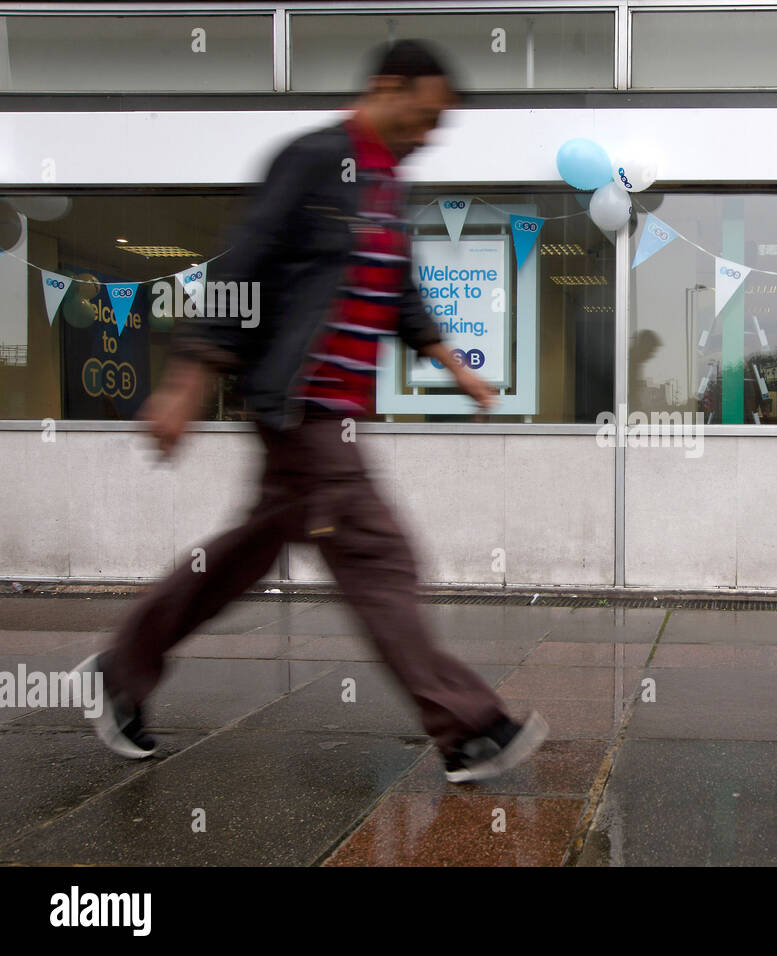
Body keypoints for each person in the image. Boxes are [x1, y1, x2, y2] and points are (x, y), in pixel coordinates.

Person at [75, 39, 547, 784]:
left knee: (245, 554)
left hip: (335, 415)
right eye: (423, 118)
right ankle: (470, 727)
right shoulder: (316, 159)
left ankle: (121, 670)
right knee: (377, 557)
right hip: (307, 407)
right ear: (388, 87)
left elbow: (399, 294)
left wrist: (457, 367)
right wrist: (187, 378)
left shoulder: (387, 186)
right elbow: (243, 259)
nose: (428, 137)